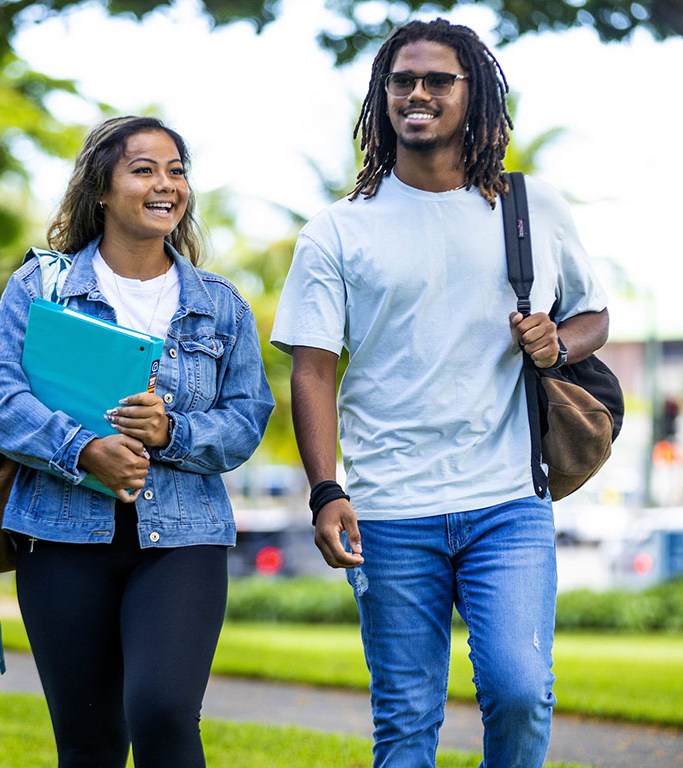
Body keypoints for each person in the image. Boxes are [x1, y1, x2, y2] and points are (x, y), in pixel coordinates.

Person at [271, 19, 609, 768]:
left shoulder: (532, 209)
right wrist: (326, 489)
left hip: (509, 502)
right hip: (391, 509)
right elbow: (313, 370)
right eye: (401, 81)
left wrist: (560, 341)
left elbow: (595, 315)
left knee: (522, 694)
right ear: (381, 97)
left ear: (474, 94)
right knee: (406, 721)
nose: (416, 94)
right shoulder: (337, 230)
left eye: (437, 81)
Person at [0, 115, 274, 768]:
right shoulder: (39, 288)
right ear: (101, 189)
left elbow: (247, 417)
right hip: (59, 537)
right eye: (144, 169)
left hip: (183, 540)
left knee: (162, 712)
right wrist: (82, 450)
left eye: (176, 170)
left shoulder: (222, 306)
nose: (166, 185)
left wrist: (172, 432)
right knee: (89, 744)